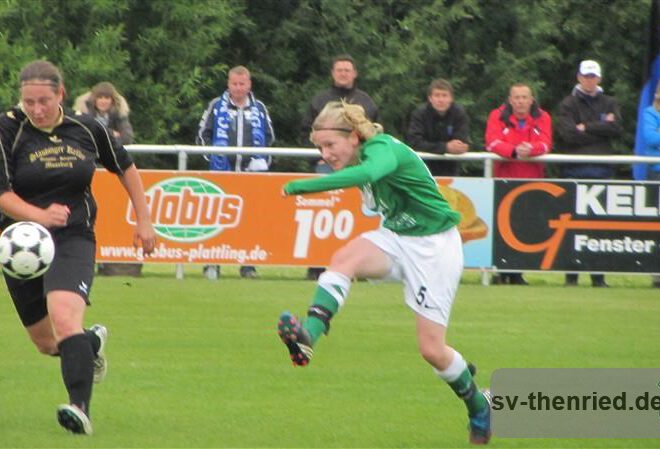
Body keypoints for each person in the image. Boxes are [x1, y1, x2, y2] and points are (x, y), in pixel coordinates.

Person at [277, 101, 491, 445]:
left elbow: (365, 175)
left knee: (432, 350)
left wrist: (301, 186)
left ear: (354, 136)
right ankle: (307, 338)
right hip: (396, 237)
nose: (325, 154)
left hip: (434, 247)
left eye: (330, 145)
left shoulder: (383, 149)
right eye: (319, 147)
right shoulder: (359, 153)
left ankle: (480, 405)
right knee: (343, 259)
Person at [0, 60, 156, 435]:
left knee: (65, 318)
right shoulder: (7, 129)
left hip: (73, 236)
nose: (36, 109)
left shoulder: (87, 128)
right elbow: (2, 194)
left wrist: (144, 219)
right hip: (20, 245)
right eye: (28, 102)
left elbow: (125, 166)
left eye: (44, 101)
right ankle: (91, 344)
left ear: (61, 95)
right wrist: (39, 215)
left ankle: (78, 409)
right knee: (47, 343)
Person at [300, 54, 379, 280]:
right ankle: (316, 266)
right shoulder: (320, 100)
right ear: (333, 73)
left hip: (359, 168)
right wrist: (322, 155)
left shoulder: (366, 102)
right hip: (328, 167)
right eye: (339, 69)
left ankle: (359, 266)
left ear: (354, 74)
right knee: (323, 215)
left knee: (360, 216)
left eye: (347, 70)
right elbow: (306, 132)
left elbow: (373, 134)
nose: (343, 73)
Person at [196, 65, 275, 279]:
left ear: (249, 85)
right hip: (222, 173)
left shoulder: (259, 108)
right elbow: (203, 135)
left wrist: (262, 161)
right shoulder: (215, 105)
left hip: (251, 174)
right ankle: (212, 263)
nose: (238, 88)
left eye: (242, 84)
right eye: (234, 84)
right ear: (228, 84)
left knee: (250, 220)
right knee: (216, 219)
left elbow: (269, 137)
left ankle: (248, 265)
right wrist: (213, 158)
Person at [556, 60, 623, 288]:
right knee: (572, 225)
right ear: (578, 77)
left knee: (599, 227)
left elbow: (616, 129)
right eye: (586, 76)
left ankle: (598, 278)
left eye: (593, 76)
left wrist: (586, 127)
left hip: (601, 172)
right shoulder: (568, 103)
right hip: (574, 171)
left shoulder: (610, 102)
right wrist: (599, 129)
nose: (589, 80)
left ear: (599, 79)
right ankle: (571, 278)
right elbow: (568, 135)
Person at [485, 83, 552, 285]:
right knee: (501, 226)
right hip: (503, 178)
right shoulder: (496, 116)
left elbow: (546, 143)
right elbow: (492, 142)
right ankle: (499, 272)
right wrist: (514, 151)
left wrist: (531, 149)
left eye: (525, 97)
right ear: (510, 99)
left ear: (531, 100)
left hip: (531, 180)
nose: (521, 101)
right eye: (517, 97)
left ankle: (517, 273)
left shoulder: (543, 117)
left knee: (524, 227)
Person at [74, 82, 141, 276]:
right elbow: (81, 138)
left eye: (107, 98)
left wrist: (105, 137)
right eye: (100, 97)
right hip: (87, 170)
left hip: (109, 171)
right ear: (94, 99)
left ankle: (107, 263)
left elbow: (127, 137)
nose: (103, 101)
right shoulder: (82, 114)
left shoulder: (119, 115)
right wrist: (111, 135)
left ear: (112, 101)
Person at [407, 78, 470, 176]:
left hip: (451, 172)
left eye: (444, 95)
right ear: (430, 98)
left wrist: (461, 147)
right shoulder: (419, 113)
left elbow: (461, 142)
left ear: (451, 98)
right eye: (437, 95)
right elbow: (414, 142)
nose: (441, 100)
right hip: (423, 170)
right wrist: (445, 147)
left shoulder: (459, 113)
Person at [640, 80, 660, 288]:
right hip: (657, 173)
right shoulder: (650, 112)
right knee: (656, 226)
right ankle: (657, 275)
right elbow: (650, 138)